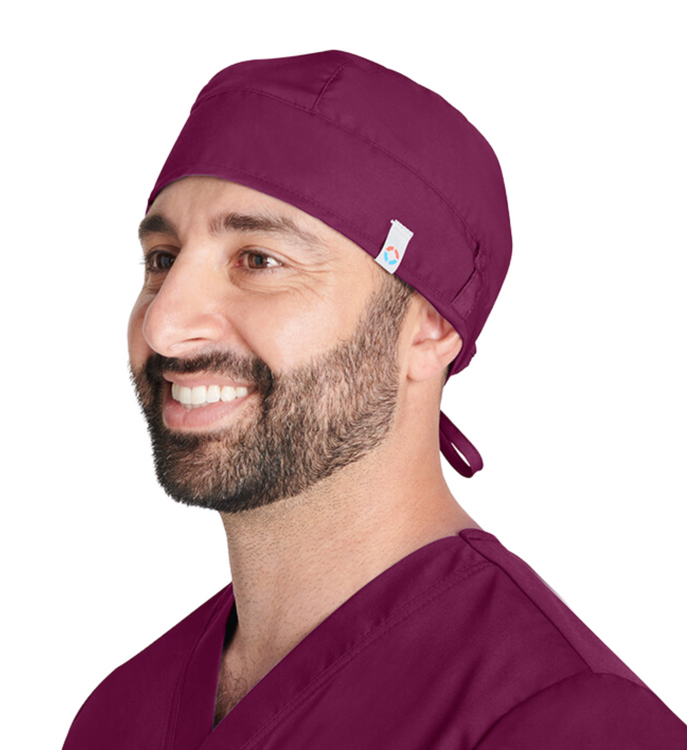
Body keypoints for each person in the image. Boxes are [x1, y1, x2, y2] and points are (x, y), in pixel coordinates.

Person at [62, 51, 687, 748]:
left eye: (259, 261)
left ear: (432, 326)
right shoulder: (120, 716)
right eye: (162, 260)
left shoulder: (565, 722)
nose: (162, 324)